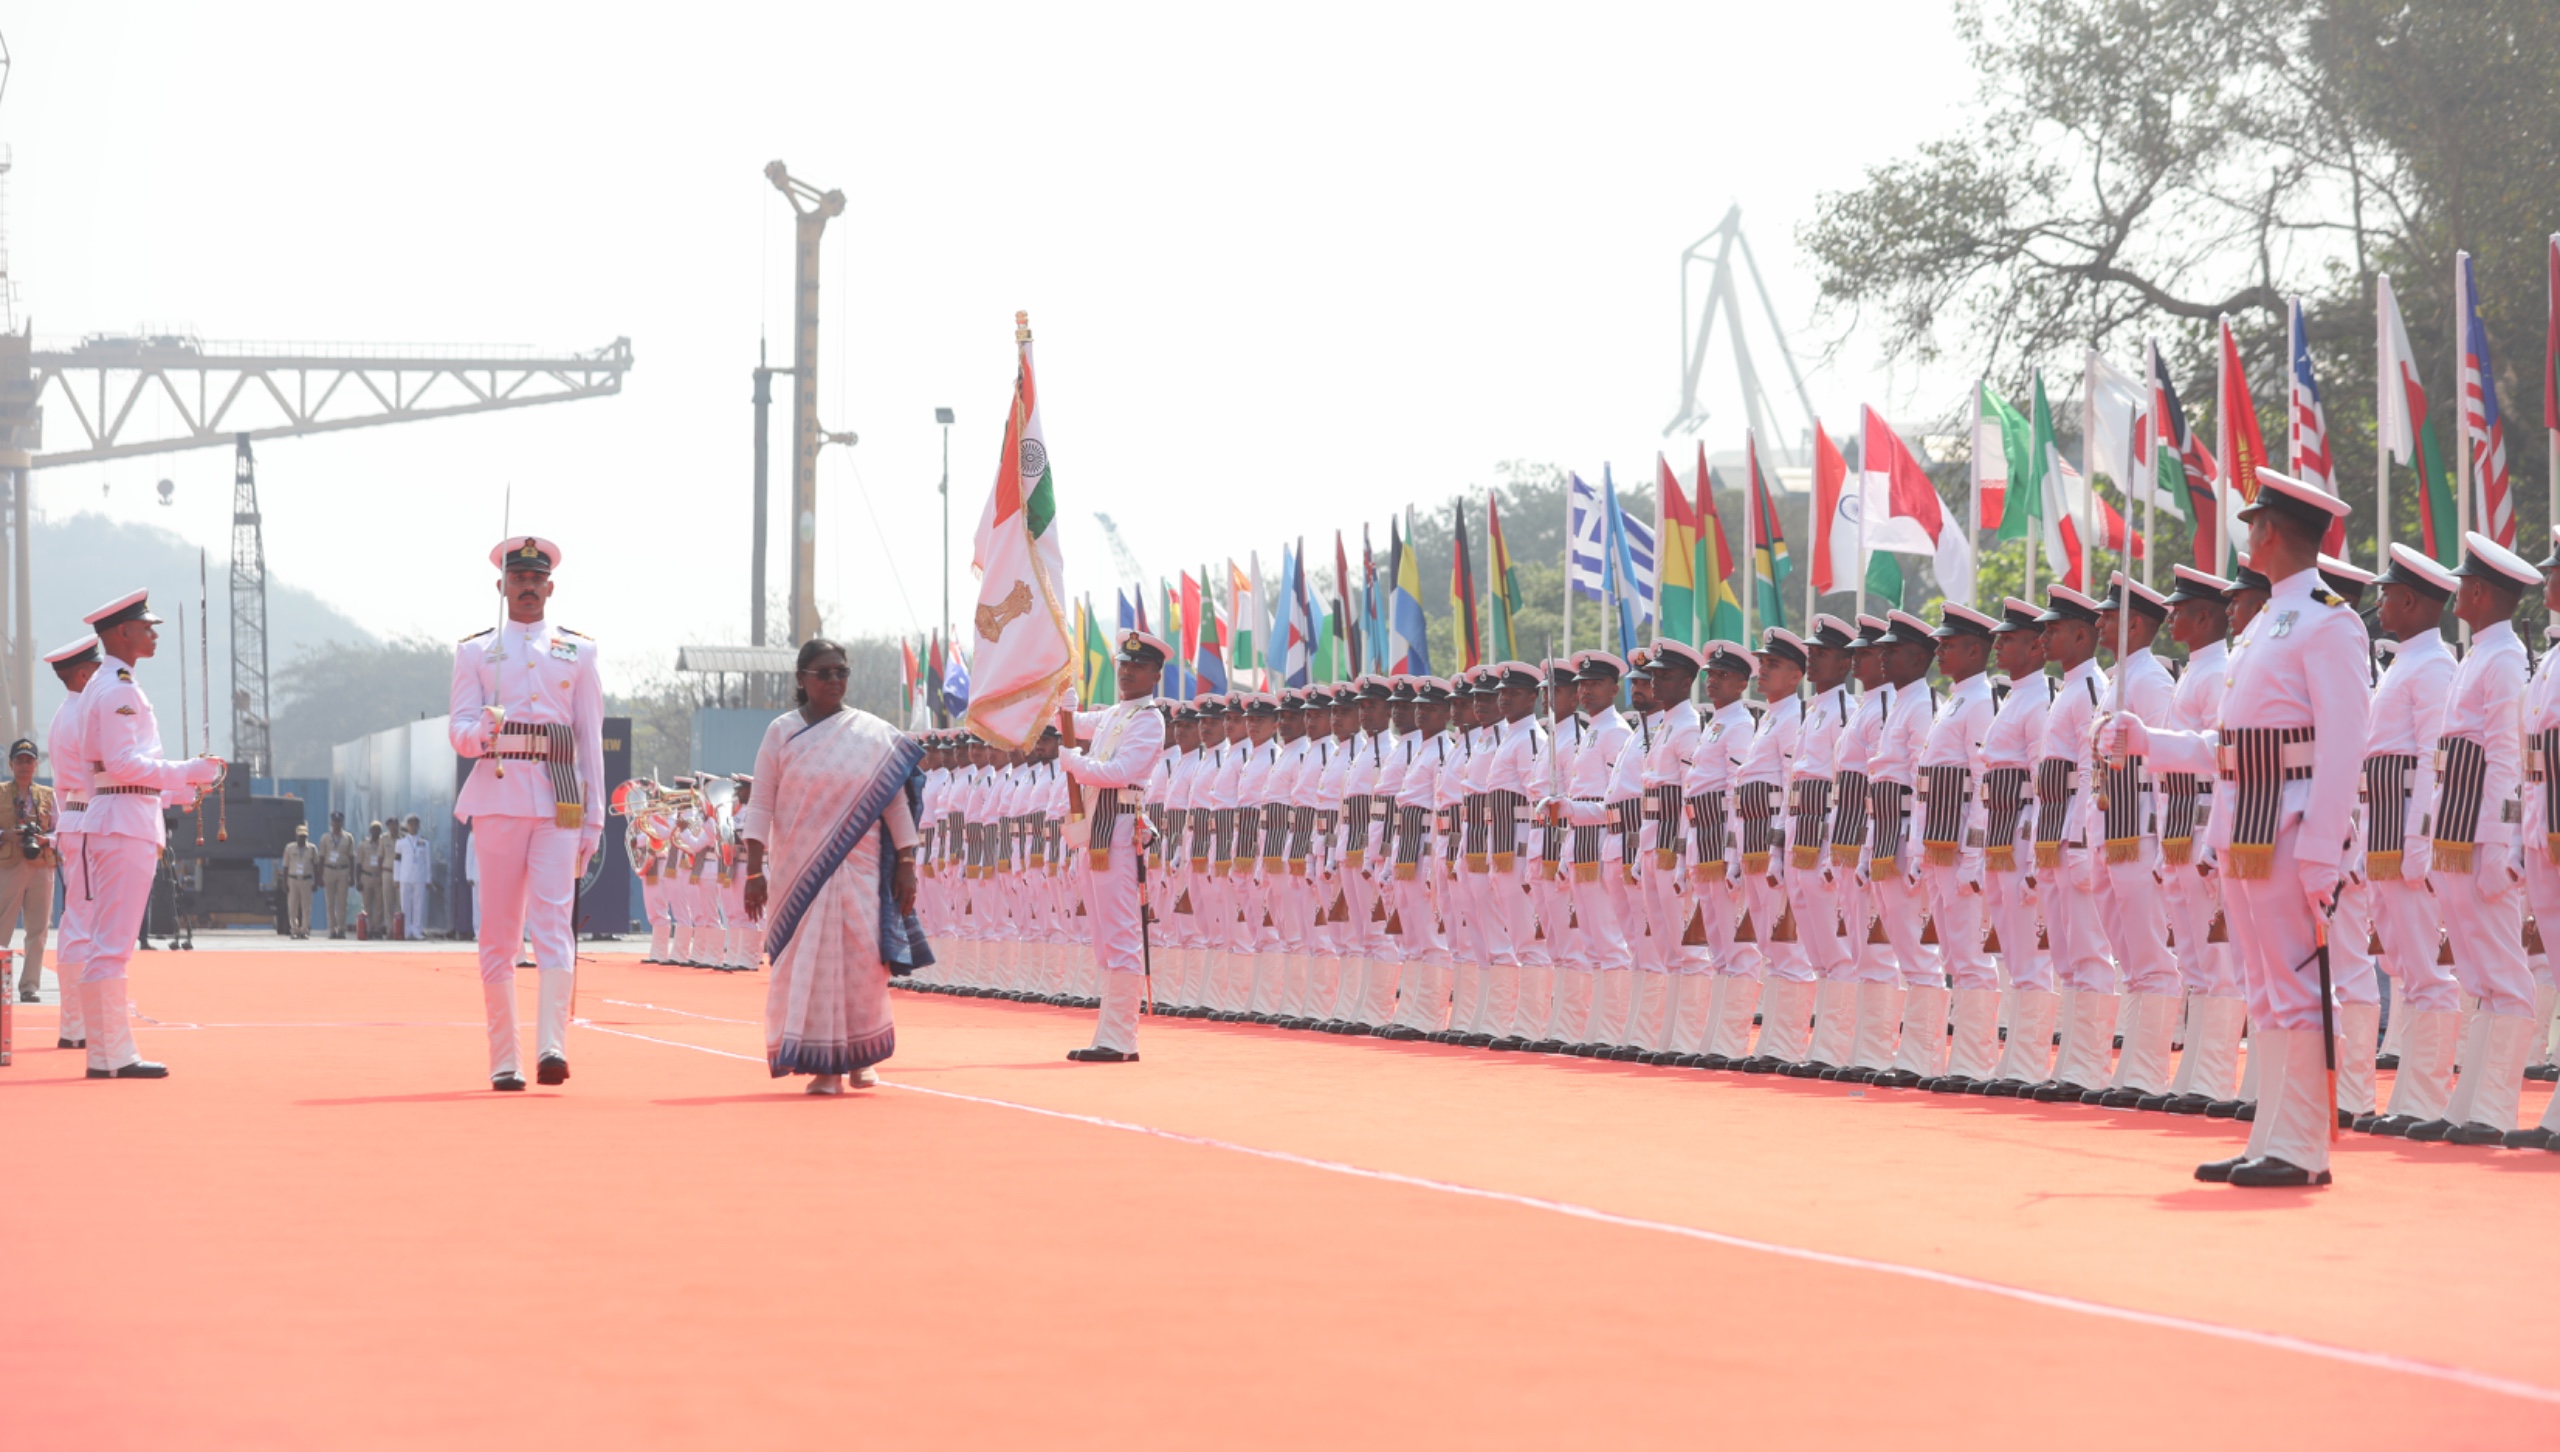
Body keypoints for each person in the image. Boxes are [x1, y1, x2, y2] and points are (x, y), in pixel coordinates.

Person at [2108, 468, 2369, 1186]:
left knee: (2294, 986)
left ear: (2273, 531)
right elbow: (2226, 747)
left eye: (2254, 523)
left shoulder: (2328, 618)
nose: (2247, 533)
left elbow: (2346, 742)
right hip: (2245, 827)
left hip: (2287, 828)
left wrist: (2322, 848)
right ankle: (2271, 1139)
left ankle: (2301, 1147)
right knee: (2264, 988)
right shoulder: (2267, 625)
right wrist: (2146, 742)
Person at [737, 638, 928, 1094]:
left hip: (861, 868)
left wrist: (906, 862)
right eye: (823, 673)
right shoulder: (781, 733)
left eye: (841, 672)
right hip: (798, 871)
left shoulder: (870, 734)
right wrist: (754, 871)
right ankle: (824, 1066)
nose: (834, 681)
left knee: (863, 964)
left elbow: (895, 806)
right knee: (811, 965)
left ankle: (862, 1057)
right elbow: (761, 804)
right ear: (801, 680)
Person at [449, 535, 605, 1092]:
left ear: (551, 587)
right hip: (498, 790)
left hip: (560, 791)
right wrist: (482, 731)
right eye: (519, 580)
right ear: (502, 587)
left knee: (555, 922)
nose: (529, 588)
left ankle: (552, 1048)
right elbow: (459, 731)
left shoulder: (578, 652)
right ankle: (504, 1058)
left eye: (537, 580)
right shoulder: (476, 652)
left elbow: (589, 738)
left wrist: (594, 819)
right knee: (499, 931)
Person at [75, 590, 226, 1079]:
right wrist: (188, 769)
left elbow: (119, 771)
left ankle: (107, 1054)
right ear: (122, 633)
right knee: (114, 945)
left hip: (123, 813)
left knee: (108, 942)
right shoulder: (119, 688)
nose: (153, 633)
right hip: (123, 822)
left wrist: (178, 790)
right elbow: (121, 764)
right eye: (146, 626)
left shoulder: (109, 684)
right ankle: (113, 1055)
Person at [1059, 629, 1170, 1062]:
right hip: (1097, 832)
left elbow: (1121, 771)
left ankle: (1121, 1039)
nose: (1127, 673)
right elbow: (1073, 724)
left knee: (1122, 935)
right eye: (1124, 665)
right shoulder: (1114, 715)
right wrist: (1062, 704)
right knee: (1105, 939)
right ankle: (1108, 1035)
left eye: (1138, 667)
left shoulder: (1148, 719)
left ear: (1155, 676)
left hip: (1120, 832)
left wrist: (1075, 763)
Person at [39, 635, 101, 1049]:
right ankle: (77, 1026)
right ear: (82, 674)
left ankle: (74, 1024)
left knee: (77, 923)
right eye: (96, 669)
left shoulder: (65, 714)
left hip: (73, 819)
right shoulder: (84, 715)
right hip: (85, 819)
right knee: (82, 925)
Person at [0, 738, 58, 1006]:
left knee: (38, 929)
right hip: (8, 865)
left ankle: (30, 986)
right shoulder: (1, 792)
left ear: (36, 765)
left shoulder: (47, 794)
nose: (24, 765)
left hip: (40, 865)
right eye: (19, 760)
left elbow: (60, 829)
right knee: (2, 928)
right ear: (11, 763)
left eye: (29, 760)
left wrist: (46, 839)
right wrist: (6, 834)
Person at [318, 811, 358, 938]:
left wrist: (352, 876)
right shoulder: (325, 838)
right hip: (329, 870)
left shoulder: (348, 838)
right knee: (330, 902)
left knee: (342, 902)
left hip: (343, 870)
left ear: (342, 823)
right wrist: (320, 876)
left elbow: (352, 858)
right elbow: (321, 858)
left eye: (339, 822)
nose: (337, 824)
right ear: (331, 823)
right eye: (334, 822)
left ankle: (341, 929)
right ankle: (332, 929)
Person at [279, 824, 320, 938]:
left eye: (304, 836)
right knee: (292, 906)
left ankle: (304, 930)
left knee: (306, 907)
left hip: (306, 880)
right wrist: (284, 882)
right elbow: (285, 866)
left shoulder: (312, 849)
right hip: (293, 879)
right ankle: (295, 930)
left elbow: (316, 866)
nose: (302, 838)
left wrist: (316, 882)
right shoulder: (289, 848)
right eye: (300, 836)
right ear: (296, 836)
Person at [394, 815, 431, 939]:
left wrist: (428, 879)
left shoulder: (424, 843)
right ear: (407, 826)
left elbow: (428, 862)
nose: (413, 827)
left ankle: (417, 929)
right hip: (405, 877)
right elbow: (397, 861)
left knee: (418, 904)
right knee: (405, 904)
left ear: (419, 826)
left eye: (416, 825)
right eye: (411, 825)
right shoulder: (401, 843)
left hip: (419, 877)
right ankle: (406, 930)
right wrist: (396, 878)